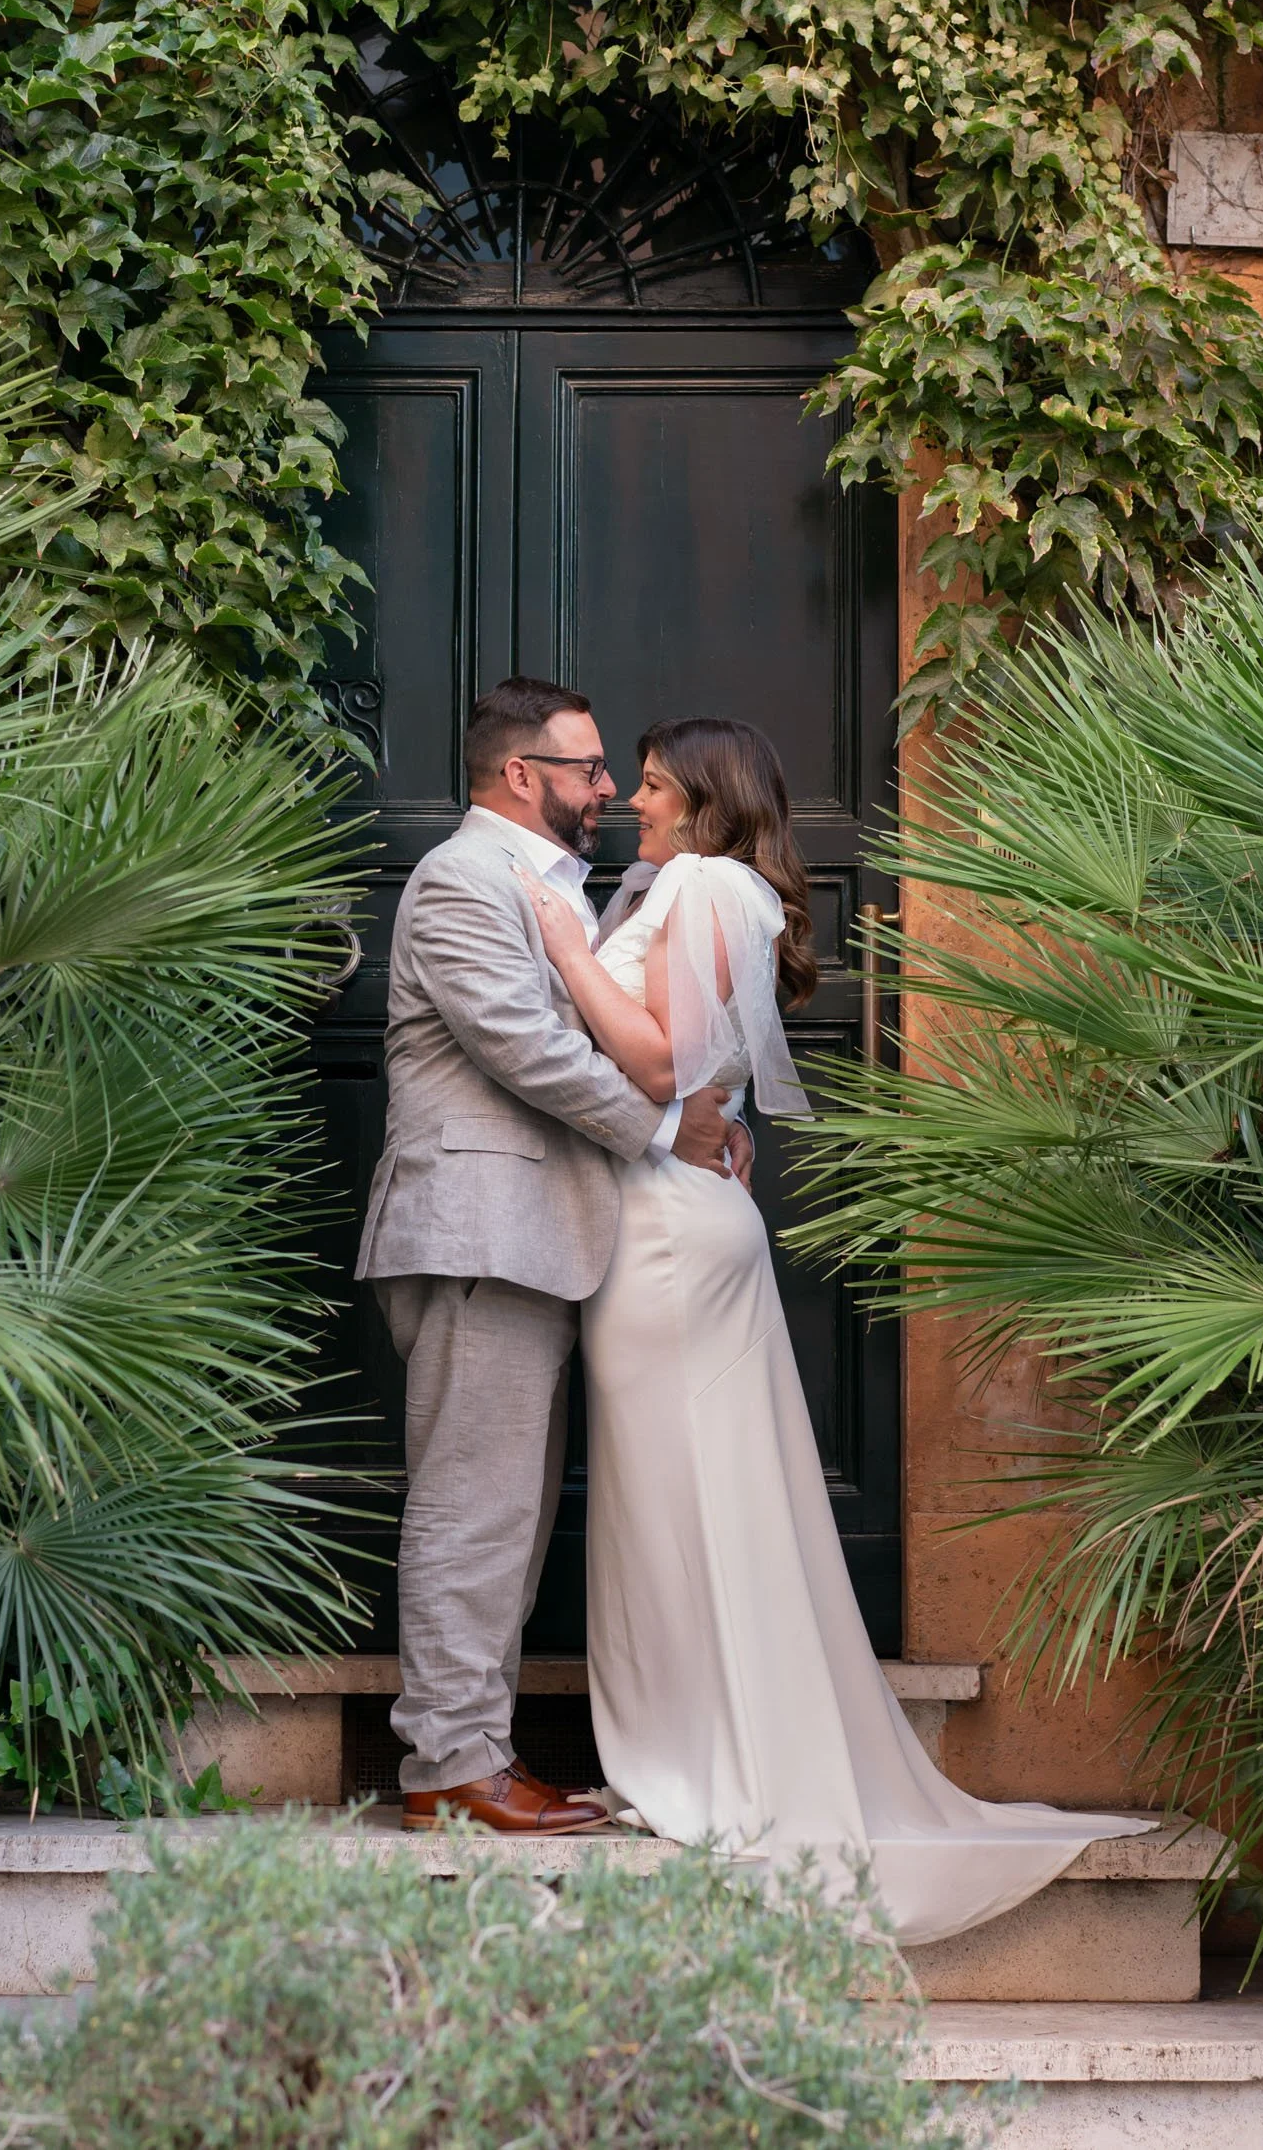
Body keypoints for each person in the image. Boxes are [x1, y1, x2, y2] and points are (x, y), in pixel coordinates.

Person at [517, 713, 1151, 1945]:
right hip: (681, 1222)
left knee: (674, 1505)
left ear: (703, 801)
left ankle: (704, 1766)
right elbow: (705, 1079)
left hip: (663, 1235)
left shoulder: (699, 883)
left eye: (650, 786)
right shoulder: (718, 887)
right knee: (694, 1502)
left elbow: (658, 1066)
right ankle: (702, 1750)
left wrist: (560, 944)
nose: (632, 804)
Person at [354, 678, 753, 1835]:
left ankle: (472, 1753)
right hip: (477, 1228)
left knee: (512, 1513)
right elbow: (521, 1047)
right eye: (583, 768)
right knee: (473, 1510)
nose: (605, 789)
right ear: (518, 775)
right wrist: (663, 1128)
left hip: (538, 1236)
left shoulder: (568, 890)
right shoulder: (459, 882)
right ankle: (448, 1766)